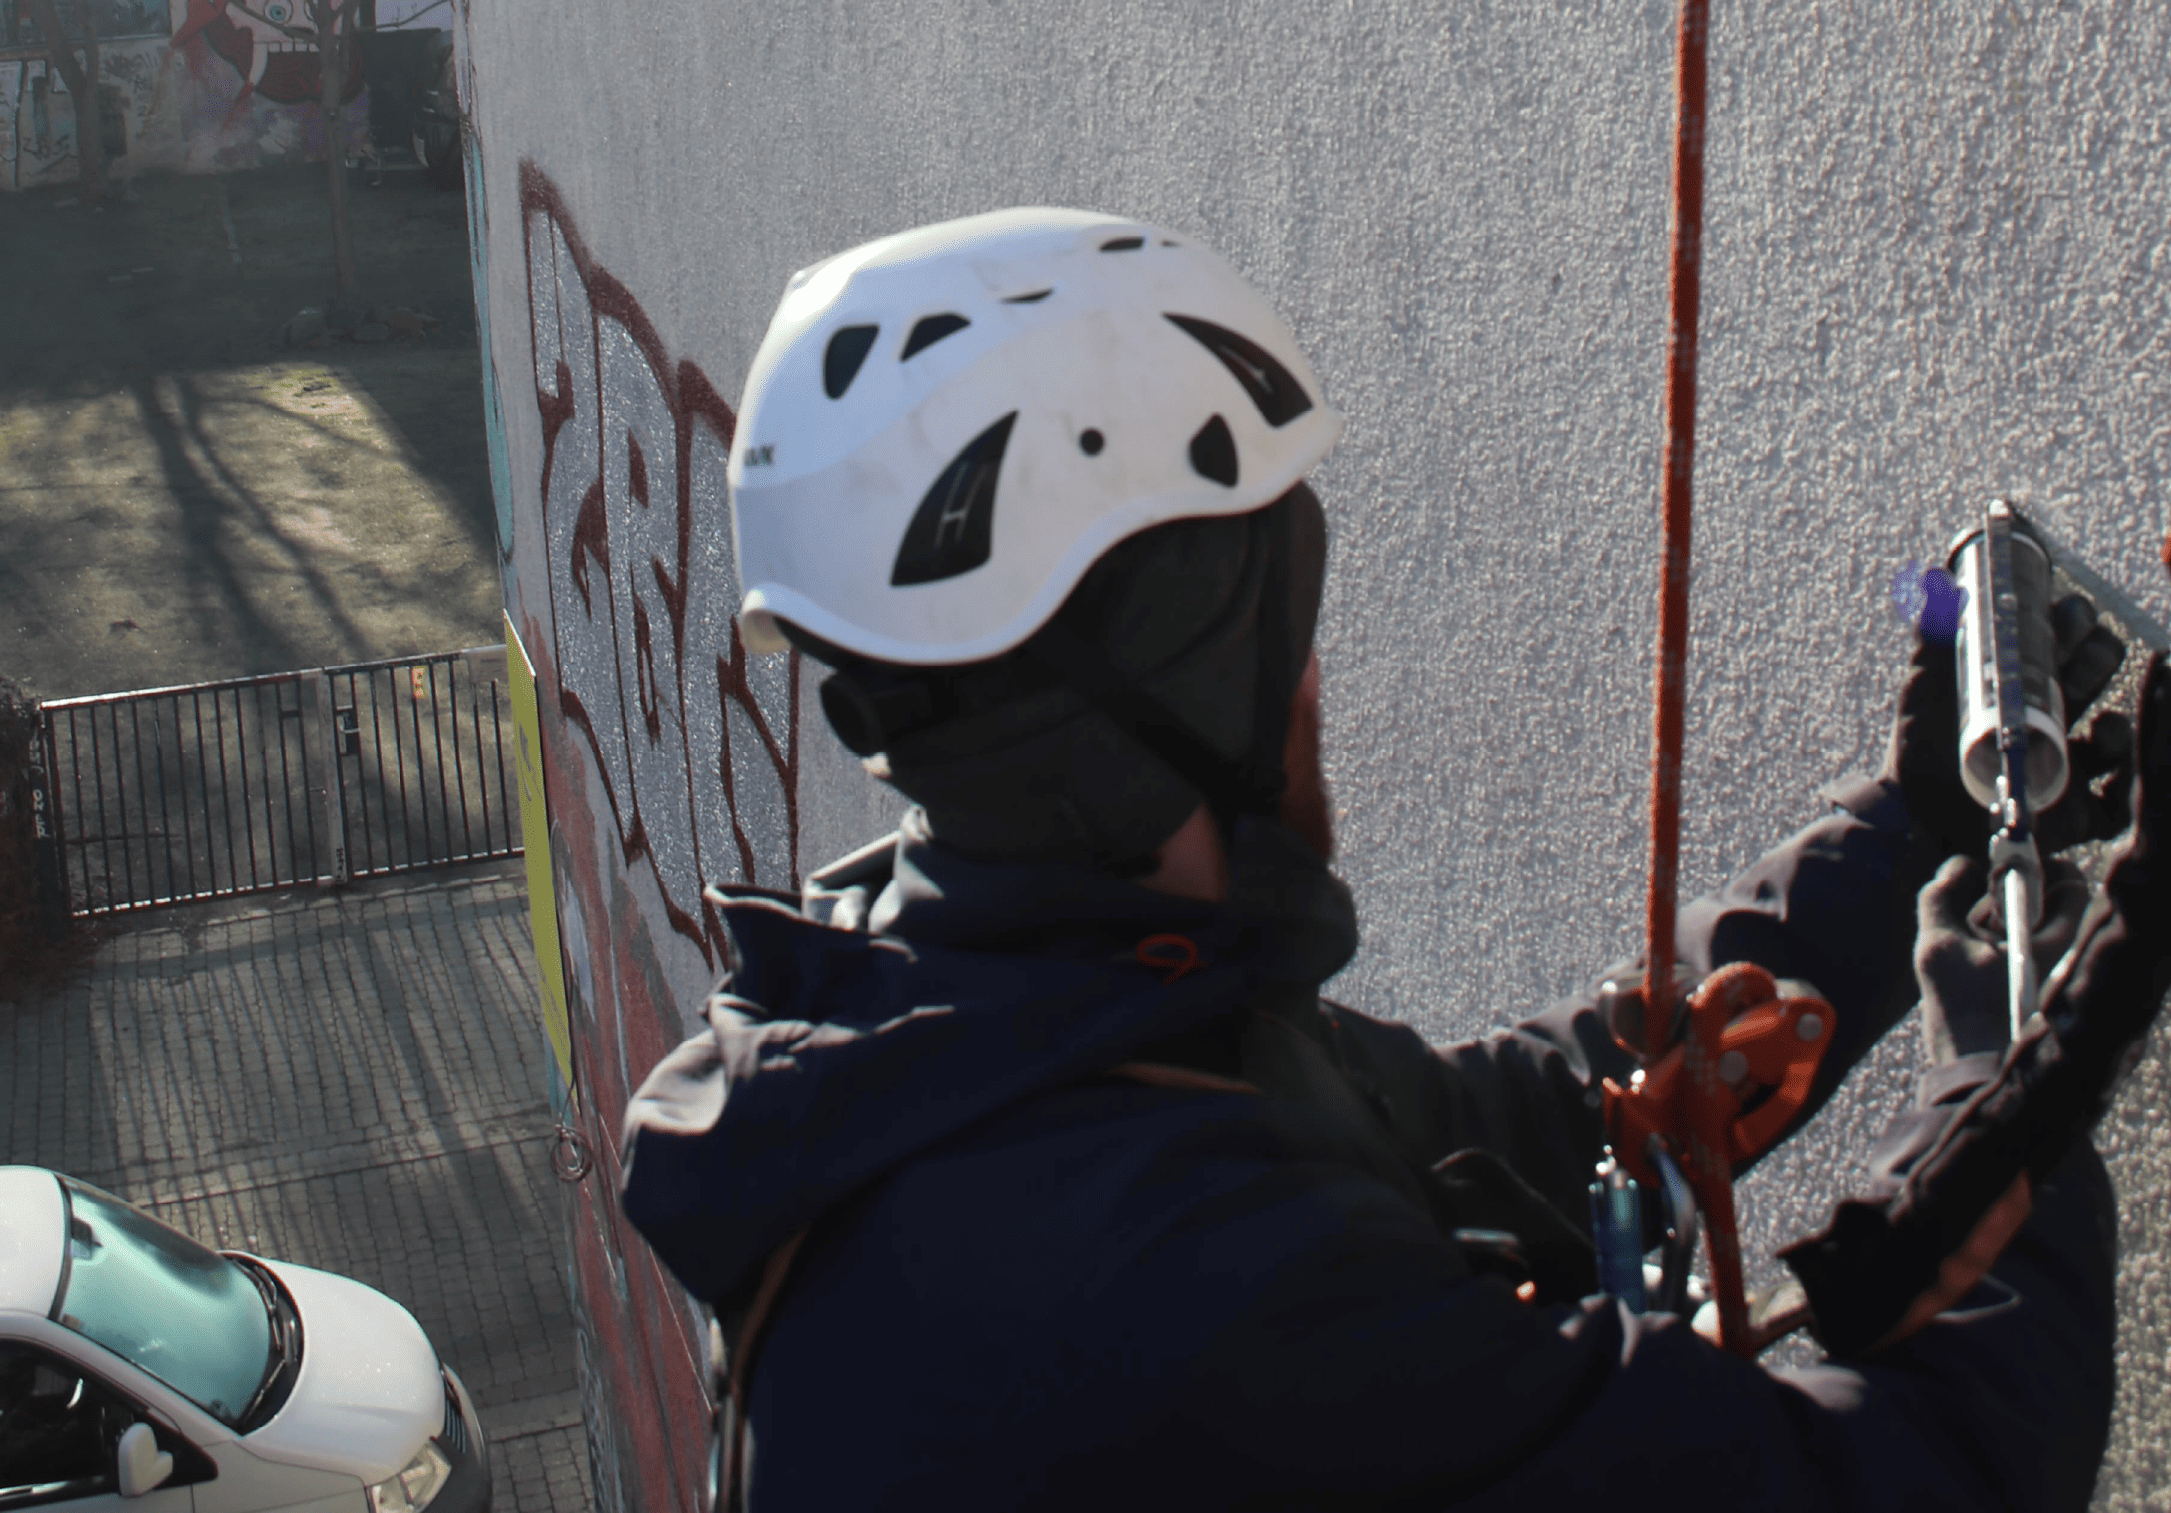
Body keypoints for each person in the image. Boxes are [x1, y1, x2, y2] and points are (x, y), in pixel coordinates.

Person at [618, 208, 2162, 1510]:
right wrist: (2023, 1033)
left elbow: (1516, 1116)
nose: (1313, 680)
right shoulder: (1181, 1290)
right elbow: (1921, 1475)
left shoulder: (972, 1026)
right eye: (1290, 611)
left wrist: (1905, 836)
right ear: (1194, 662)